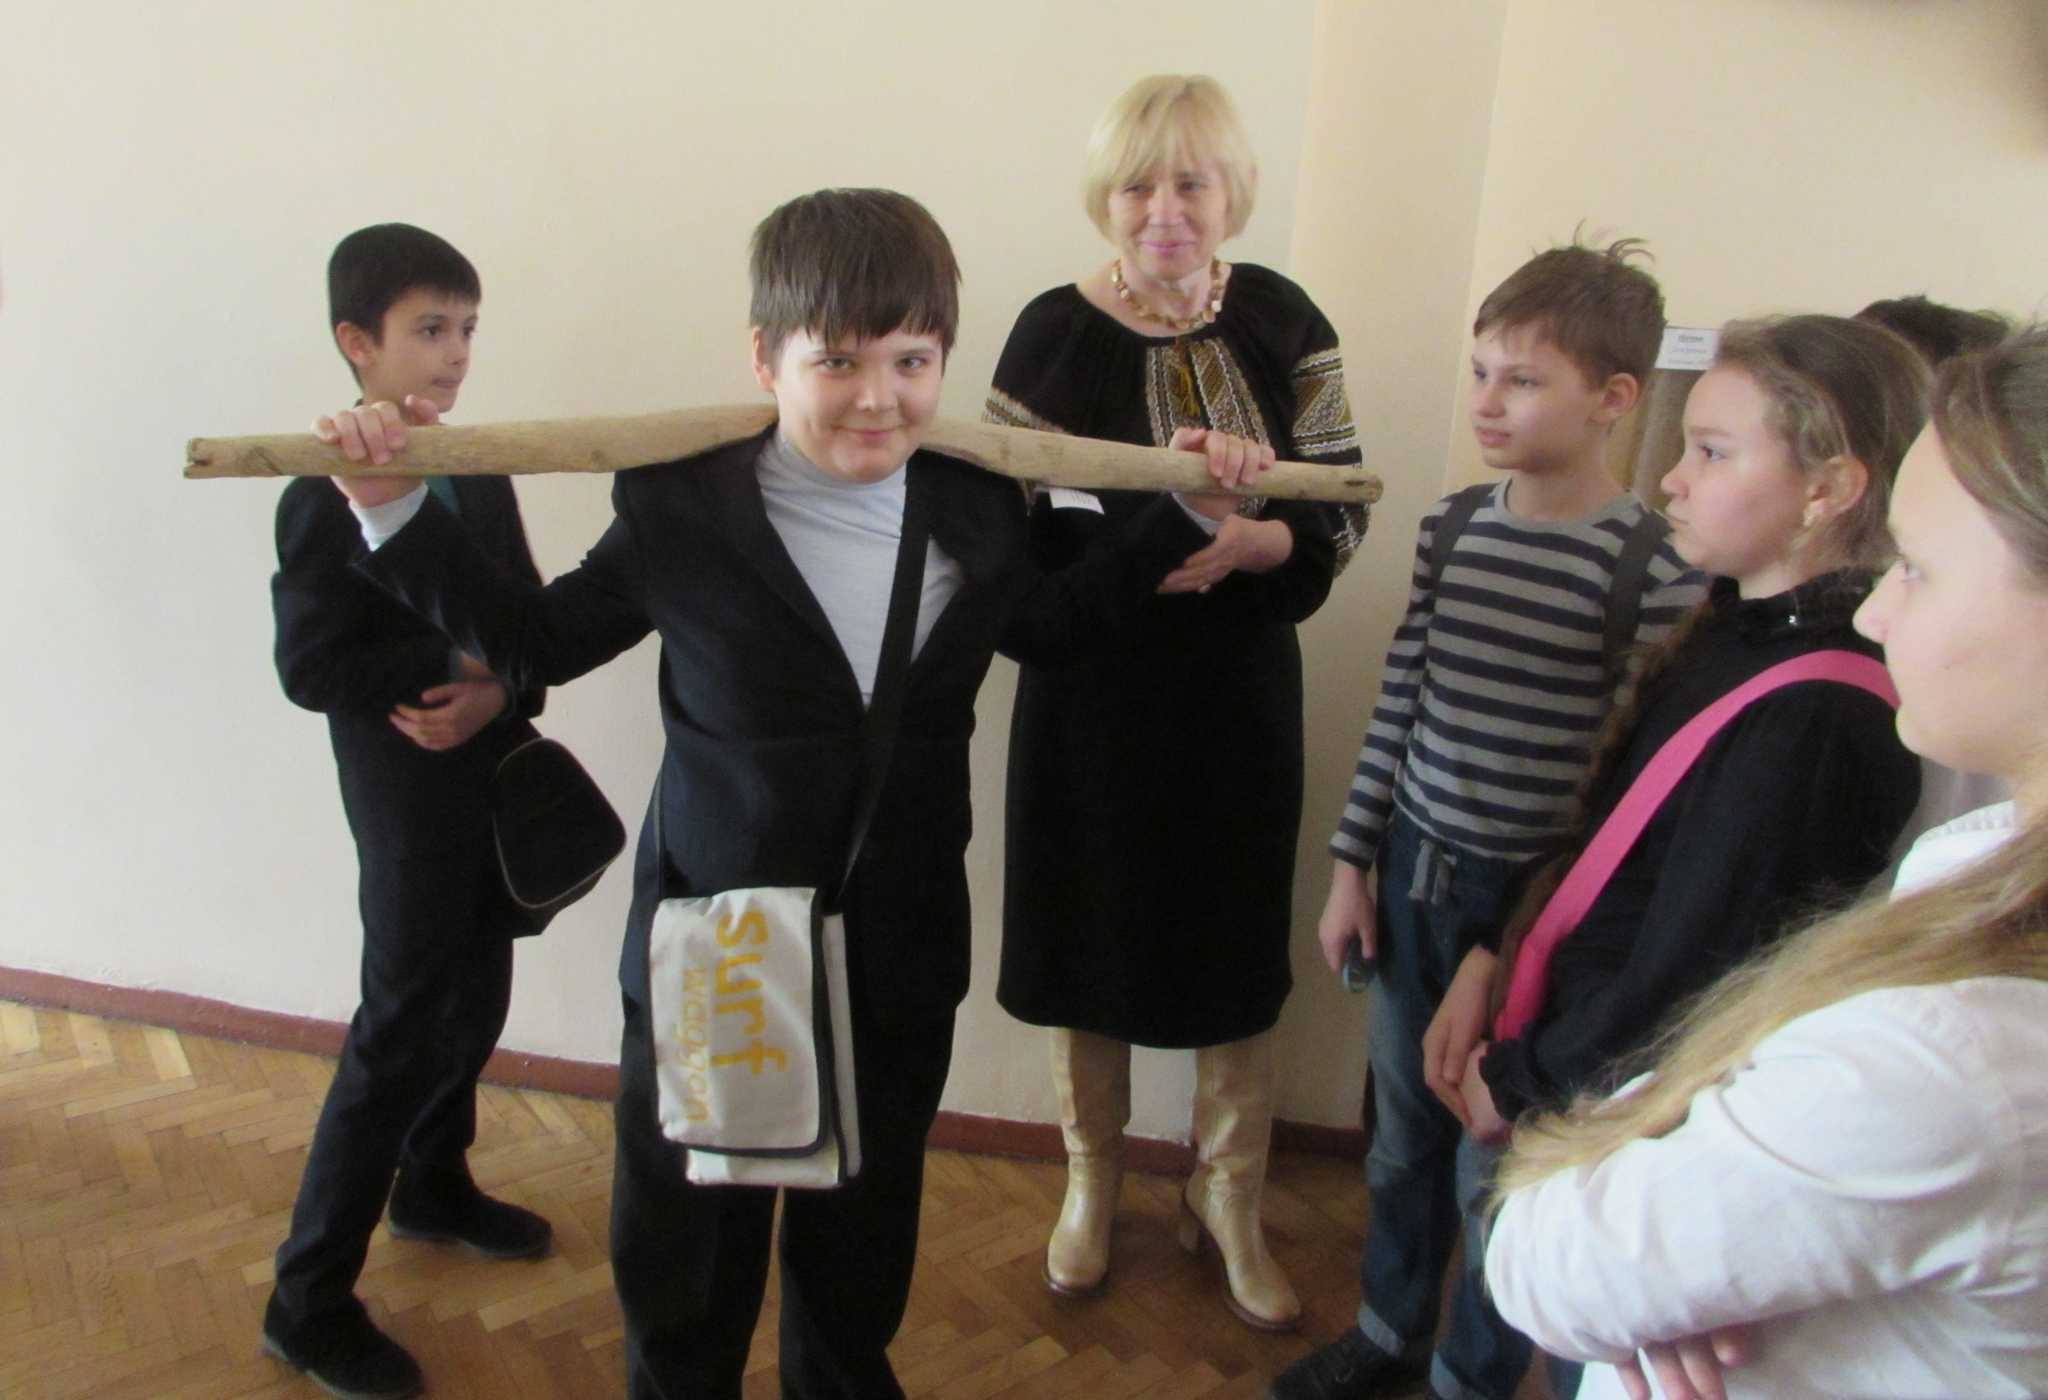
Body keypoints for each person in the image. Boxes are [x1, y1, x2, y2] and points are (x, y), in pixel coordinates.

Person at [313, 188, 1263, 1400]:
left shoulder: (975, 503)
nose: (878, 397)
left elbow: (1052, 626)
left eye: (911, 360)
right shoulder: (681, 505)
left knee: (862, 1223)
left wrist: (1184, 512)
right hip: (721, 931)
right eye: (838, 361)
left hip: (897, 929)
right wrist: (391, 507)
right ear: (764, 357)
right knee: (691, 1238)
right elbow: (537, 641)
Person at [1484, 325, 2048, 1400]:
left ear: (1826, 489)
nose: (1878, 606)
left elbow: (1552, 1262)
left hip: (1580, 1107)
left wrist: (1645, 1221)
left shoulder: (1950, 1055)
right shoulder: (1737, 633)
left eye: (1919, 568)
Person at [1415, 315, 1927, 1395]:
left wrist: (1524, 1077)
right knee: (1495, 1290)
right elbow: (1603, 838)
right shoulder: (1738, 624)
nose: (1670, 480)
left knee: (1572, 1330)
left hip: (1611, 1096)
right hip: (1557, 1043)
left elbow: (1694, 967)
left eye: (1710, 451)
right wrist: (1488, 957)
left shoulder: (1816, 712)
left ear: (1828, 488)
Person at [1270, 241, 1699, 1400]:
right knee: (1401, 1135)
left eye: (1521, 379)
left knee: (1492, 1159)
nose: (1486, 401)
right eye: (1478, 372)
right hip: (1412, 872)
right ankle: (1387, 1329)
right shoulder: (1455, 524)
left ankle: (1474, 1372)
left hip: (1530, 913)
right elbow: (1402, 696)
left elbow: (1619, 791)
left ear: (1612, 397)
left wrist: (1509, 937)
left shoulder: (1651, 567)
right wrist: (1350, 862)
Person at [984, 72, 1368, 1334]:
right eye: (1138, 184)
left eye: (1190, 182)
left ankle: (1226, 1193)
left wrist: (1262, 544)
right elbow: (1006, 543)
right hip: (1089, 701)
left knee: (1232, 940)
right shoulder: (1048, 334)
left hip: (1235, 698)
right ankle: (1090, 1181)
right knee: (1086, 930)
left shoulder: (1284, 318)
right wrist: (1153, 541)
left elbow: (1342, 500)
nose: (1164, 209)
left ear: (1229, 192)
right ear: (1105, 195)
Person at [264, 223, 554, 1400]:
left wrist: (495, 688)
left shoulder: (475, 460)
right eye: (429, 328)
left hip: (486, 774)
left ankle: (433, 1180)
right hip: (400, 796)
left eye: (467, 328)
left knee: (478, 991)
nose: (455, 351)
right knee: (396, 1025)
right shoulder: (315, 485)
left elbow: (528, 620)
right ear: (357, 341)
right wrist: (443, 671)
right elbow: (310, 664)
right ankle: (305, 1298)